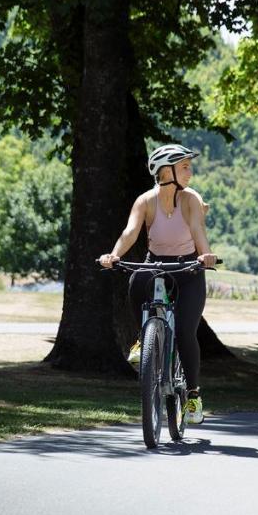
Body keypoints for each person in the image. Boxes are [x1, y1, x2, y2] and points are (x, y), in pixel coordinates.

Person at [99, 144, 217, 425]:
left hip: (188, 267)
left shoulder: (190, 199)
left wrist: (205, 255)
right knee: (136, 279)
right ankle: (143, 338)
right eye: (185, 166)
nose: (190, 172)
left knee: (187, 332)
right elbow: (130, 232)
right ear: (167, 171)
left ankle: (193, 395)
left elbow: (198, 230)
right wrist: (114, 255)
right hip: (156, 263)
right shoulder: (145, 201)